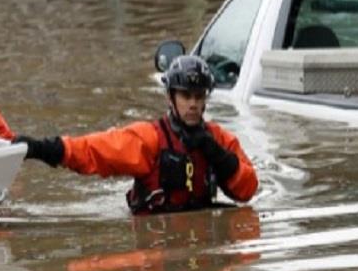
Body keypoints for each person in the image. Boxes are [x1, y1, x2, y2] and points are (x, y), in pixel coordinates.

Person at [16, 55, 258, 214]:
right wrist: (38, 148)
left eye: (198, 96)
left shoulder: (220, 140)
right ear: (170, 97)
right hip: (156, 246)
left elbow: (247, 191)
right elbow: (92, 151)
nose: (192, 104)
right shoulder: (149, 140)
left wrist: (215, 153)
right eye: (185, 95)